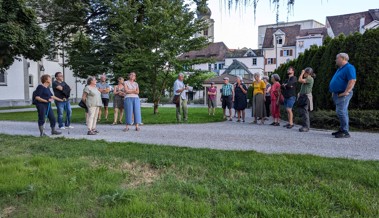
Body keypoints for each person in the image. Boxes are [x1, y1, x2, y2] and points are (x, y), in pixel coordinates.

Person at [329, 53, 356, 138]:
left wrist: (346, 92)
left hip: (343, 94)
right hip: (338, 93)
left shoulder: (349, 67)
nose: (336, 60)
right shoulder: (340, 69)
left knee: (341, 112)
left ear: (343, 58)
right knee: (342, 111)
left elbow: (352, 80)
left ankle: (345, 132)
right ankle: (342, 129)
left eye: (337, 58)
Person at [298, 68, 315, 132]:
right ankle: (304, 125)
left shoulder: (310, 78)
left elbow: (299, 80)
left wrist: (302, 73)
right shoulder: (307, 79)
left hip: (306, 97)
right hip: (303, 96)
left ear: (308, 73)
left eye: (305, 72)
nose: (303, 74)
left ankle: (306, 127)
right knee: (303, 111)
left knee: (305, 112)